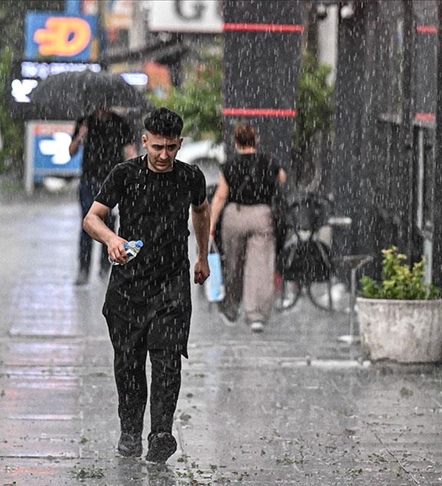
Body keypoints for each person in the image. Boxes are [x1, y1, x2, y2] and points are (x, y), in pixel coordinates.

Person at [83, 107, 211, 463]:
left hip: (172, 282)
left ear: (180, 144)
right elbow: (92, 218)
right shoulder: (125, 174)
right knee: (129, 364)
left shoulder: (190, 177)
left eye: (171, 147)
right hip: (129, 284)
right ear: (145, 141)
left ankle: (161, 433)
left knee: (168, 360)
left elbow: (201, 211)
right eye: (157, 147)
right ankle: (129, 430)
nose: (164, 155)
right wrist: (111, 240)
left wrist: (203, 254)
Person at [209, 122, 287, 333]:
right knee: (259, 267)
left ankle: (232, 307)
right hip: (262, 215)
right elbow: (282, 179)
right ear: (256, 140)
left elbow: (220, 196)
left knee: (234, 265)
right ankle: (256, 316)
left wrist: (210, 225)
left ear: (236, 142)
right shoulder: (269, 161)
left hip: (234, 215)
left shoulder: (230, 165)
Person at [69, 106, 137, 285]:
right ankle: (84, 268)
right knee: (87, 224)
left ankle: (106, 268)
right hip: (89, 179)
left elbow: (130, 149)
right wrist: (81, 135)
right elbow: (71, 151)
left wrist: (136, 170)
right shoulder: (85, 121)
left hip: (112, 181)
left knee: (109, 225)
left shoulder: (120, 123)